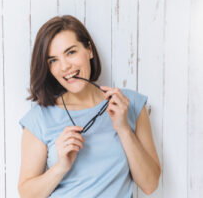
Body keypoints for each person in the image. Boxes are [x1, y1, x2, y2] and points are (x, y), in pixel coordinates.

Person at [18, 15, 161, 198]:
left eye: (71, 52)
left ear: (89, 50)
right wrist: (61, 166)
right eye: (53, 60)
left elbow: (150, 185)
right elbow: (26, 193)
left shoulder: (128, 104)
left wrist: (123, 128)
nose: (64, 66)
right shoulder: (39, 118)